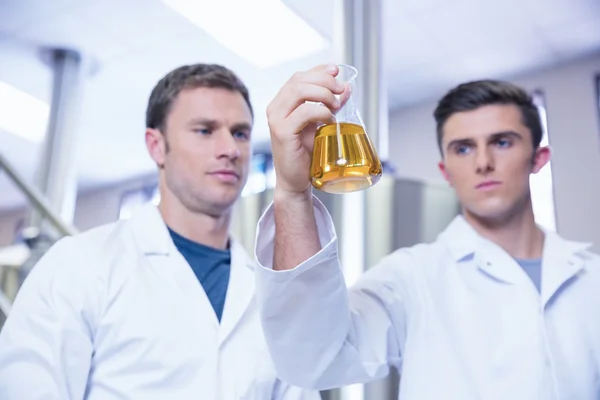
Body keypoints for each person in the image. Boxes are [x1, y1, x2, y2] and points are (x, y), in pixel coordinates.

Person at [253, 63, 600, 399]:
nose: (482, 163)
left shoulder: (592, 277)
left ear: (538, 158)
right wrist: (293, 192)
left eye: (502, 142)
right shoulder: (411, 277)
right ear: (445, 170)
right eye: (463, 148)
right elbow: (313, 361)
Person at [0, 64, 320, 400]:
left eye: (240, 132)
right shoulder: (79, 264)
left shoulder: (270, 292)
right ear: (156, 146)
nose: (230, 148)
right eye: (205, 130)